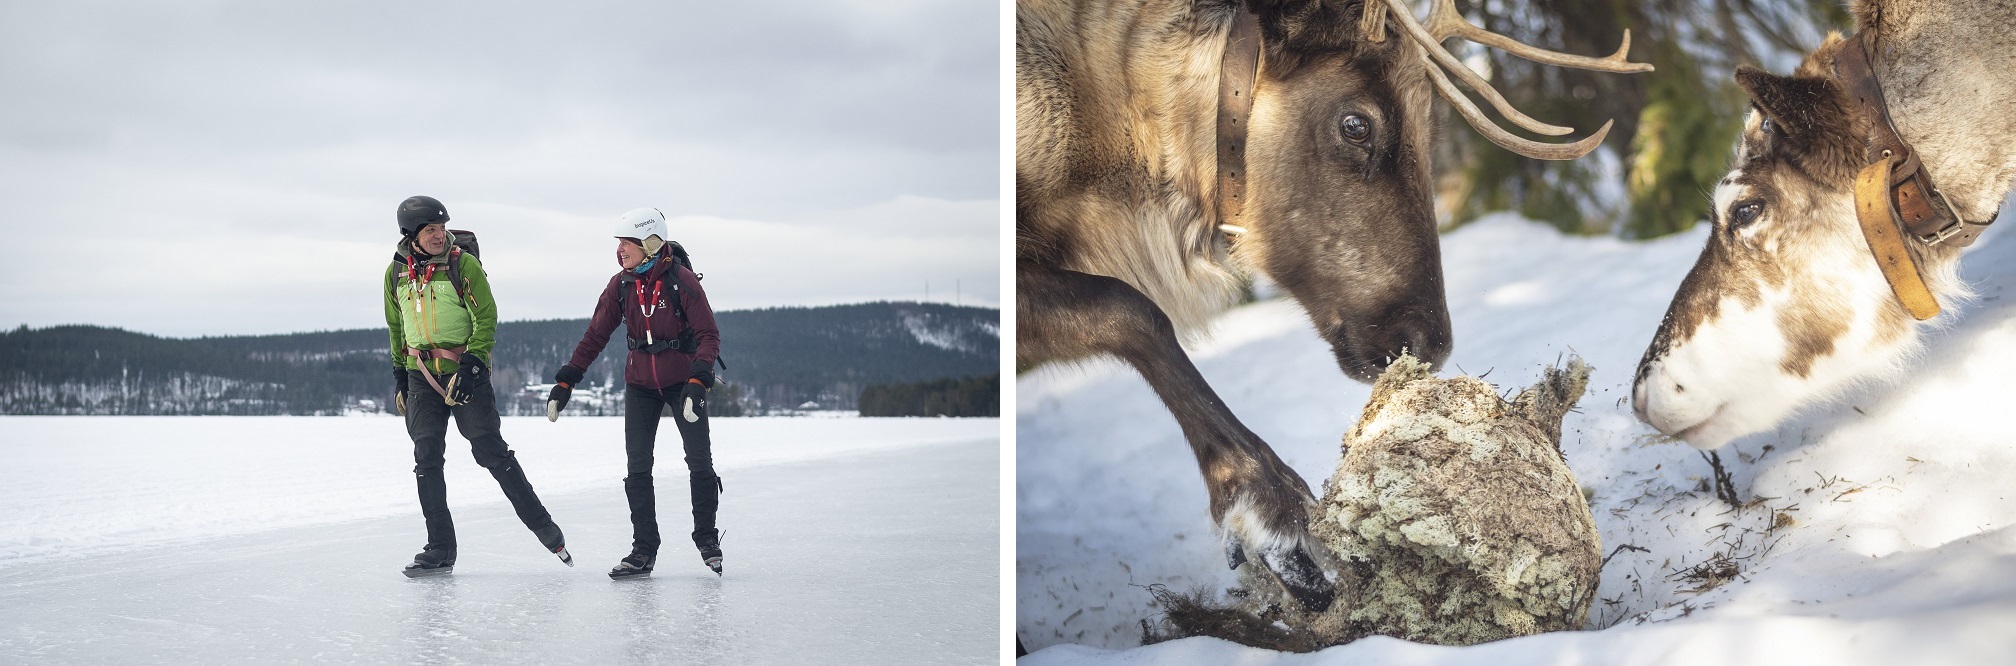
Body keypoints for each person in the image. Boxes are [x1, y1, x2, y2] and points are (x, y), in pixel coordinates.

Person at [384, 195, 571, 577]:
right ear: (411, 234)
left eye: (442, 228)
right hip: (421, 375)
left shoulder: (461, 264)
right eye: (431, 230)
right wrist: (400, 376)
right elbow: (396, 327)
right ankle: (440, 549)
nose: (440, 235)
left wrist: (472, 366)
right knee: (427, 459)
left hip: (464, 371)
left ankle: (546, 530)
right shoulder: (396, 274)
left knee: (491, 453)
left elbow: (486, 316)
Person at [545, 207, 724, 578]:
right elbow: (595, 336)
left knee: (699, 461)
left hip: (683, 383)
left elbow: (709, 336)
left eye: (628, 242)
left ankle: (706, 538)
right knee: (638, 466)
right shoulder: (621, 285)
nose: (620, 250)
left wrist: (699, 378)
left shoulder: (682, 280)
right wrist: (567, 380)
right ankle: (644, 549)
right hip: (640, 384)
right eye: (619, 243)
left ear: (651, 243)